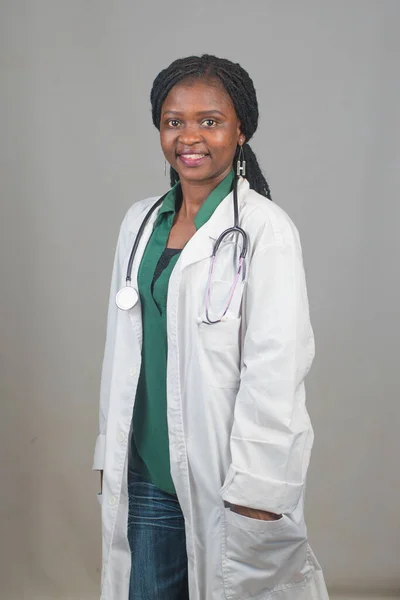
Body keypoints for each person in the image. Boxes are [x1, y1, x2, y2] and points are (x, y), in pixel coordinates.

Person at [93, 54, 329, 600]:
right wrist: (110, 449)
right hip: (148, 470)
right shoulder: (139, 222)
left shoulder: (265, 230)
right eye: (174, 121)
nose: (189, 137)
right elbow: (120, 351)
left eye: (210, 120)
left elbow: (277, 364)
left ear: (241, 129)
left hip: (223, 473)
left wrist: (259, 482)